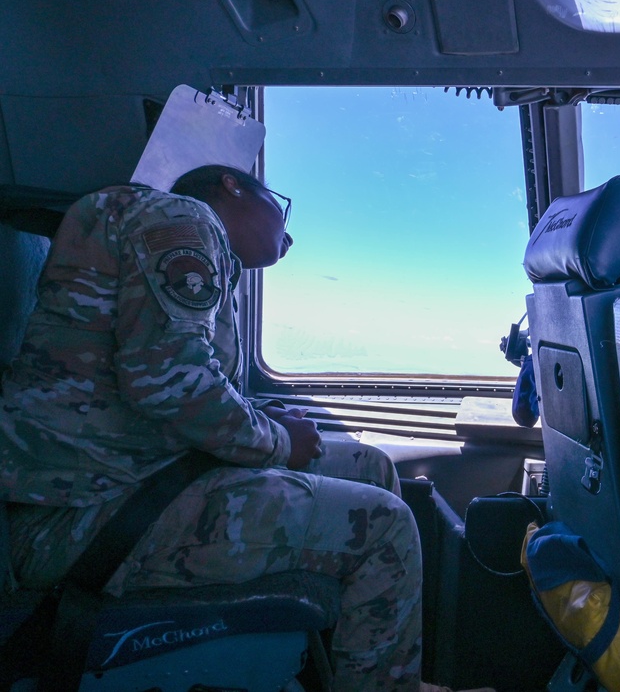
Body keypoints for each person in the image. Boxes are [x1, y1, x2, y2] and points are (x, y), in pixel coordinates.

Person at [0, 166, 485, 692]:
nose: (290, 236)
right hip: (77, 516)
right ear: (232, 184)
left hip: (132, 477)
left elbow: (175, 376)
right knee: (384, 522)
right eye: (284, 210)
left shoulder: (195, 248)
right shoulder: (182, 217)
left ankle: (370, 675)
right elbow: (165, 380)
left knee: (371, 464)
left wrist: (267, 421)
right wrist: (277, 441)